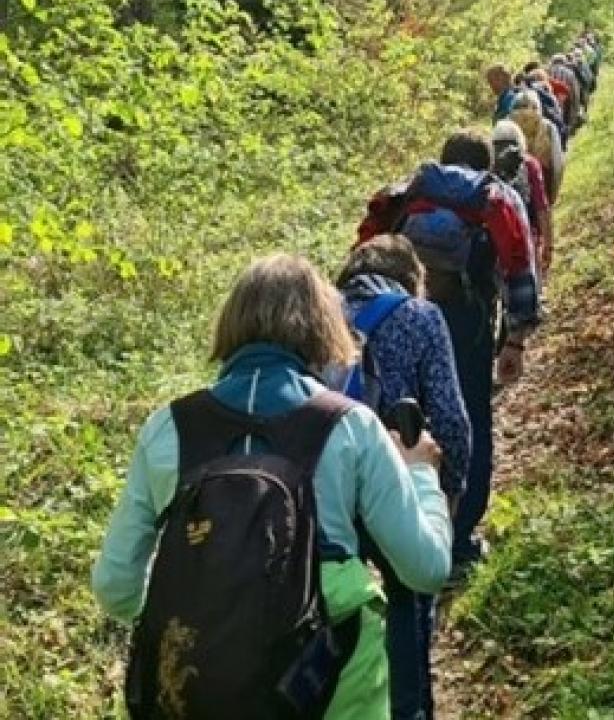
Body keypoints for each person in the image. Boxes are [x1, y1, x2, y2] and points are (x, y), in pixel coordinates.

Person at [92, 254, 452, 720]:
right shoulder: (351, 426)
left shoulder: (167, 428)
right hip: (329, 669)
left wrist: (205, 616)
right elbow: (425, 569)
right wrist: (420, 472)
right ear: (324, 328)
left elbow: (115, 588)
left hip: (198, 679)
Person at [337, 235, 471, 720]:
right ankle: (409, 708)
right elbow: (450, 417)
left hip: (328, 479)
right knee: (408, 596)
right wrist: (446, 491)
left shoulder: (315, 319)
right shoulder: (420, 318)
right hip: (396, 474)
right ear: (412, 279)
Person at [431, 130, 539, 570]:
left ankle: (411, 535)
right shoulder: (498, 198)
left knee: (413, 418)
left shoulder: (413, 192)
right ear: (487, 163)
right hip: (469, 319)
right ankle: (459, 542)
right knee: (471, 416)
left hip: (410, 314)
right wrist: (514, 339)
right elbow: (520, 272)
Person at [492, 120, 554, 283]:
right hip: (527, 237)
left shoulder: (487, 166)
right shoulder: (530, 164)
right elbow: (541, 205)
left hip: (496, 239)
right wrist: (548, 243)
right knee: (530, 286)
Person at [509, 90, 565, 205]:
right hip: (543, 183)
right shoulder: (548, 127)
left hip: (515, 186)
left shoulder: (506, 126)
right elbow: (558, 165)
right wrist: (552, 196)